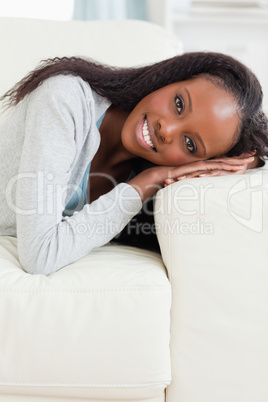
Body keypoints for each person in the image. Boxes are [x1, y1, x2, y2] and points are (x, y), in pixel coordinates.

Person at [0, 52, 267, 275]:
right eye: (178, 103)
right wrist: (145, 184)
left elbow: (259, 159)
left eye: (190, 144)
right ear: (168, 79)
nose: (167, 130)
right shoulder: (64, 100)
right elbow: (39, 256)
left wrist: (245, 161)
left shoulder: (139, 170)